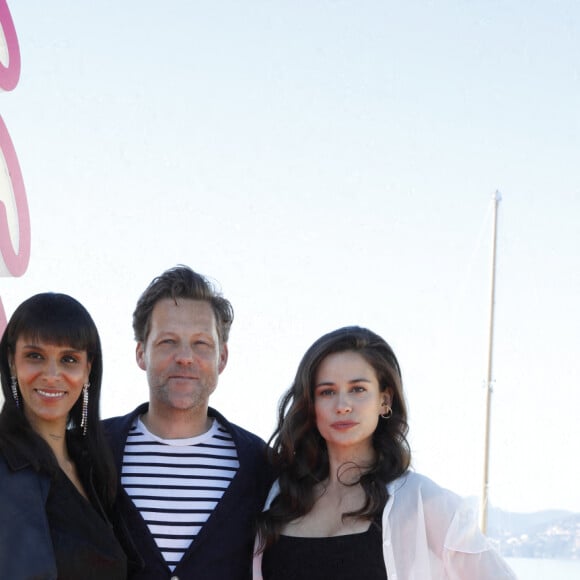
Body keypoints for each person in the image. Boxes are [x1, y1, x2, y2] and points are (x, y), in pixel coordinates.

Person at [253, 326, 516, 580]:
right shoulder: (280, 496)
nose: (342, 405)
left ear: (384, 400)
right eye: (327, 391)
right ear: (311, 405)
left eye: (358, 389)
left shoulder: (423, 503)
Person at [104, 265, 272, 580]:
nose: (185, 357)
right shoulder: (92, 450)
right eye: (168, 341)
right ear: (141, 353)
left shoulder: (260, 464)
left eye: (201, 344)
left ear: (222, 358)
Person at [0, 293, 128, 579]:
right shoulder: (5, 465)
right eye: (35, 356)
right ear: (11, 361)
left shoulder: (95, 467)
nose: (52, 374)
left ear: (87, 369)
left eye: (68, 359)